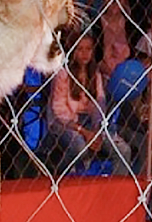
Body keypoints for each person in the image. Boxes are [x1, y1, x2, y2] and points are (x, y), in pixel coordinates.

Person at [45, 31, 131, 177]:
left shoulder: (95, 74)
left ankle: (117, 186)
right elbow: (59, 112)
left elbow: (100, 104)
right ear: (72, 51)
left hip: (91, 123)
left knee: (123, 150)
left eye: (88, 49)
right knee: (80, 146)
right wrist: (85, 133)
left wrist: (96, 131)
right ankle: (59, 174)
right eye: (80, 49)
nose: (85, 54)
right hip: (67, 123)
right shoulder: (63, 74)